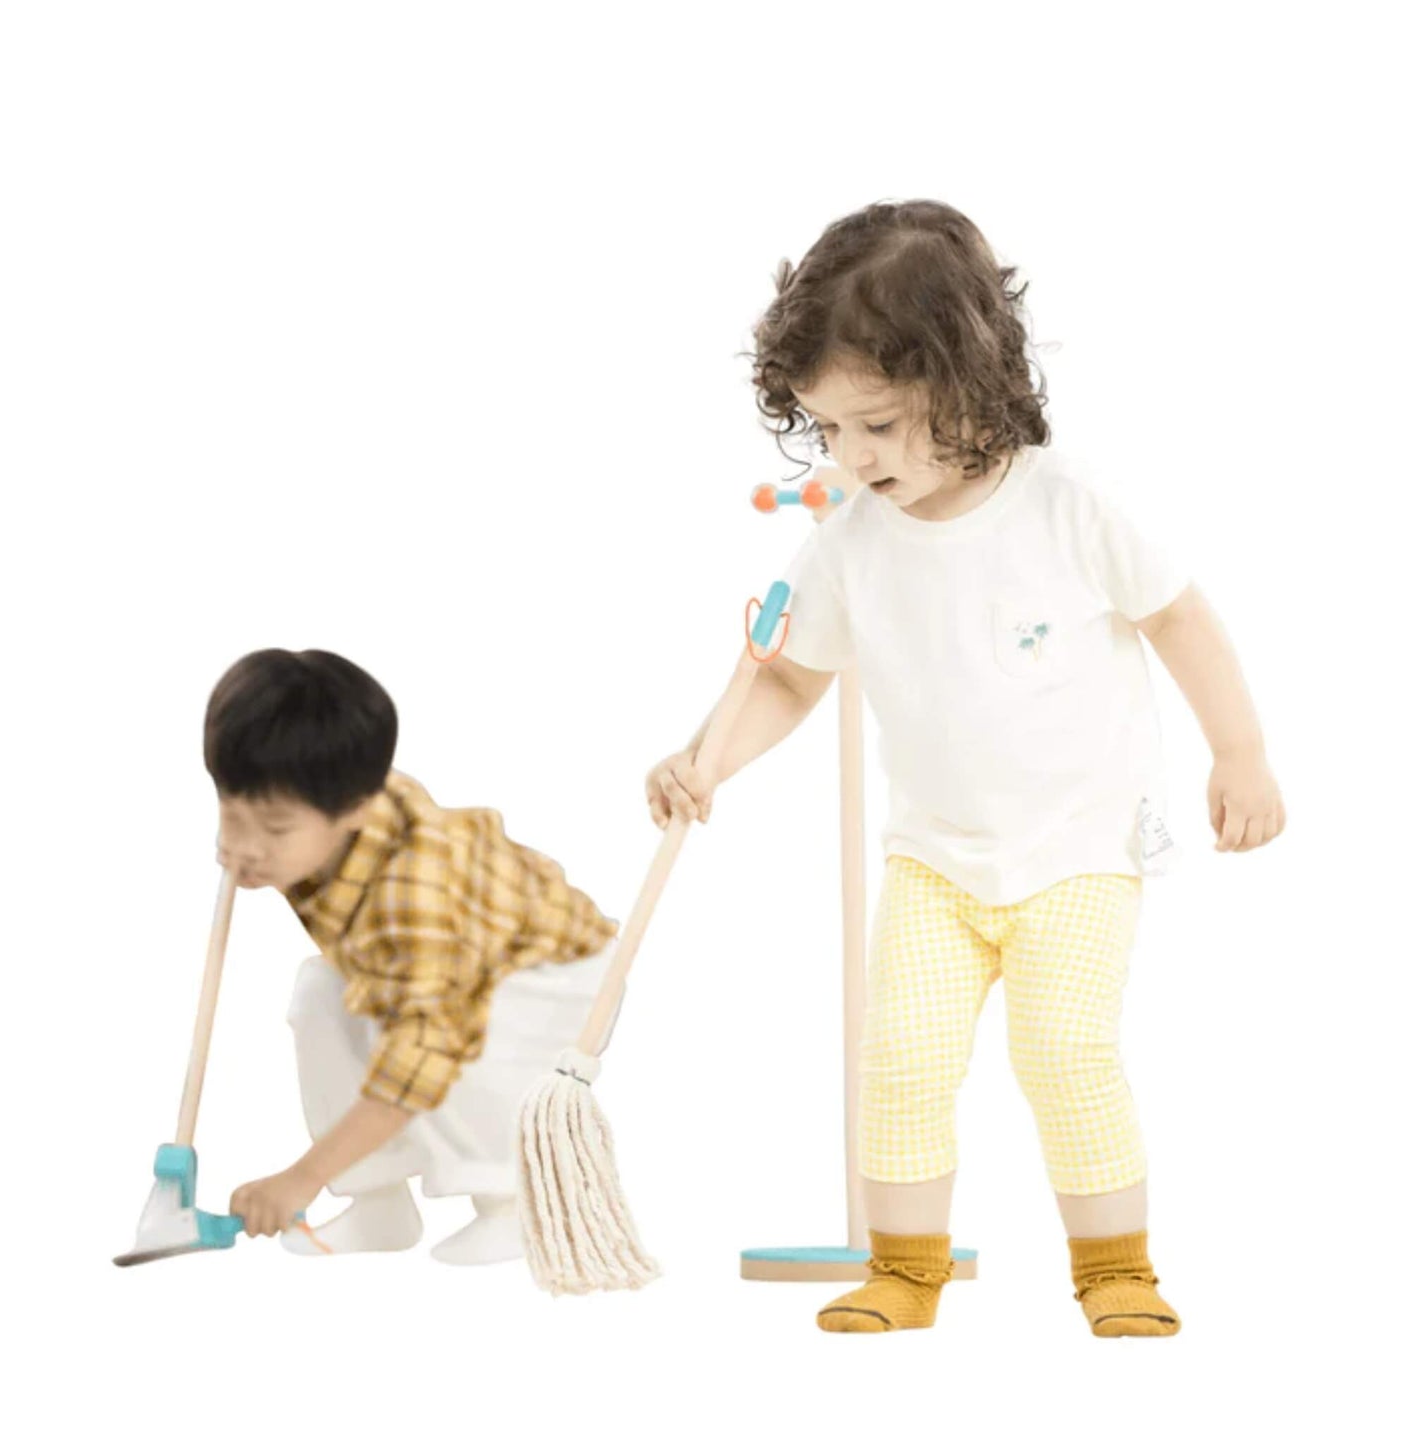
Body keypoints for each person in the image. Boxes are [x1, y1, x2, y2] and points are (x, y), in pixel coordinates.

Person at [646, 200, 1284, 1336]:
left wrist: (1238, 753)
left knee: (1063, 1050)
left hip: (1076, 850)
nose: (850, 457)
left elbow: (1177, 616)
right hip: (933, 860)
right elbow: (786, 677)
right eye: (827, 428)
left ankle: (1115, 1268)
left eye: (877, 424)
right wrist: (705, 759)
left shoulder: (1067, 504)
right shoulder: (848, 540)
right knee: (899, 1058)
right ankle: (903, 1267)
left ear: (967, 379)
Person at [208, 648, 617, 1264]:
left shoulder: (414, 896)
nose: (244, 844)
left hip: (553, 976)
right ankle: (379, 1204)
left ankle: (514, 1203)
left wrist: (302, 1177)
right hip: (450, 961)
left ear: (355, 810)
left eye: (275, 828)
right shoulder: (321, 791)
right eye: (231, 815)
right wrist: (264, 840)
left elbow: (420, 1059)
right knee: (321, 993)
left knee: (449, 1049)